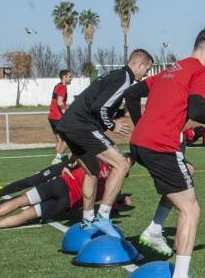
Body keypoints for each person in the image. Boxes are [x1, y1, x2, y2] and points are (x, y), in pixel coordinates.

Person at [121, 28, 205, 278]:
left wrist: (141, 125)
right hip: (161, 145)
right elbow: (197, 109)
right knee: (191, 210)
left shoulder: (171, 68)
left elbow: (132, 95)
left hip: (141, 143)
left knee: (187, 171)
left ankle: (155, 229)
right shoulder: (201, 72)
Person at [56, 49, 154, 230]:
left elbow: (102, 104)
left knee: (92, 171)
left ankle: (87, 220)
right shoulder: (125, 79)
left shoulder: (116, 75)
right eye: (147, 69)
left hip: (69, 125)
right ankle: (102, 217)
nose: (147, 73)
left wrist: (120, 113)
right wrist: (113, 125)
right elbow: (99, 108)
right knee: (122, 164)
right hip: (81, 125)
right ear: (139, 65)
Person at [0, 162, 122, 231]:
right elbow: (110, 205)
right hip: (67, 201)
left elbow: (77, 156)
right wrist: (120, 200)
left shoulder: (100, 159)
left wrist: (68, 166)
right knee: (26, 214)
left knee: (20, 200)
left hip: (61, 184)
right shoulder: (113, 185)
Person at [47, 69, 73, 162]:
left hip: (52, 117)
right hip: (58, 117)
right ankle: (58, 157)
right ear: (64, 77)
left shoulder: (57, 86)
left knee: (59, 140)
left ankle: (57, 160)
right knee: (68, 138)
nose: (71, 78)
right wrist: (67, 114)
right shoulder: (62, 87)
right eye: (70, 76)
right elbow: (59, 103)